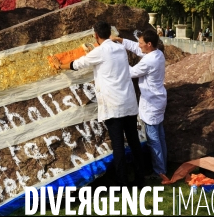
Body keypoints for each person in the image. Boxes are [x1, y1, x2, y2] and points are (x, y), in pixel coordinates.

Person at [50, 21, 144, 188]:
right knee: (134, 141)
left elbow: (78, 64)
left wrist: (60, 66)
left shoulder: (100, 52)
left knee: (118, 145)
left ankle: (122, 182)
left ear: (95, 35)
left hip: (114, 105)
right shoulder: (119, 48)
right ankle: (140, 177)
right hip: (129, 102)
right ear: (109, 33)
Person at [111, 30, 169, 183]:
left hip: (152, 103)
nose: (139, 46)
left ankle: (159, 171)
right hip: (158, 99)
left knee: (154, 139)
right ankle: (163, 168)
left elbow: (130, 72)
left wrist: (117, 58)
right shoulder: (157, 53)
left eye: (142, 43)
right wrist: (120, 40)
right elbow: (137, 48)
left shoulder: (150, 61)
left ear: (149, 44)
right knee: (160, 136)